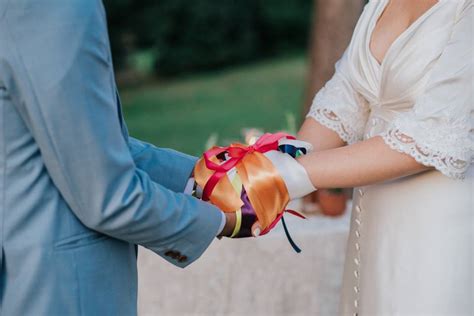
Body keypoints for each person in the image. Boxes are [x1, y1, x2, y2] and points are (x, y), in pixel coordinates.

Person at [228, 0, 472, 314]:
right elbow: (344, 99)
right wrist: (262, 170)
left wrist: (289, 175)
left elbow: (430, 136)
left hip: (439, 222)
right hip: (373, 221)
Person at [0, 0, 237, 315]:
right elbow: (107, 197)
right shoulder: (53, 7)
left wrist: (202, 177)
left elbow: (72, 139)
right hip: (60, 290)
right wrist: (224, 221)